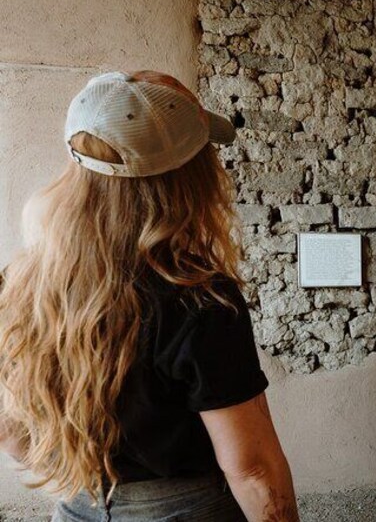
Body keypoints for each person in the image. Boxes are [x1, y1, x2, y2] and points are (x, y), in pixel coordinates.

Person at [0, 71, 298, 521]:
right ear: (190, 178)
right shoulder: (199, 299)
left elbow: (11, 432)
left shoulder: (26, 280)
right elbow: (253, 469)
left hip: (77, 504)